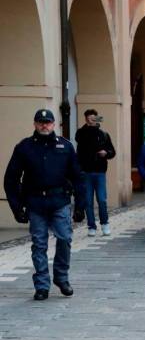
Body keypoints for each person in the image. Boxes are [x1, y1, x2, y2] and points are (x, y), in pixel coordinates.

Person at [4, 109, 86, 300]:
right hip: (35, 203)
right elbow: (11, 179)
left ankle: (61, 277)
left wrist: (81, 205)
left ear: (54, 124)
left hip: (59, 201)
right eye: (40, 122)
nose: (44, 125)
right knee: (39, 244)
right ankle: (42, 285)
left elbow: (78, 178)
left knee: (65, 238)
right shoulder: (24, 147)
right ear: (34, 124)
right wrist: (16, 207)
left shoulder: (65, 146)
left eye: (47, 122)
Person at [75, 109, 116, 237]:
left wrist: (106, 153)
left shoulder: (103, 134)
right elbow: (79, 140)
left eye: (94, 118)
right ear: (86, 119)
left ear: (97, 118)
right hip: (86, 172)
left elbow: (112, 152)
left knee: (102, 200)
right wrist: (88, 127)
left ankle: (105, 224)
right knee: (88, 201)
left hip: (100, 172)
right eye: (88, 118)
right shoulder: (81, 133)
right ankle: (91, 226)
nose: (91, 120)